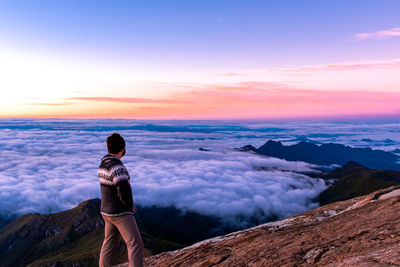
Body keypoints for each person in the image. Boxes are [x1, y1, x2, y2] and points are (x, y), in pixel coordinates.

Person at [98, 133, 143, 267]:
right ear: (122, 149)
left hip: (106, 212)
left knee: (109, 244)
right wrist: (130, 207)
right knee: (135, 244)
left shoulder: (103, 164)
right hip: (120, 213)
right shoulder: (117, 167)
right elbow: (124, 192)